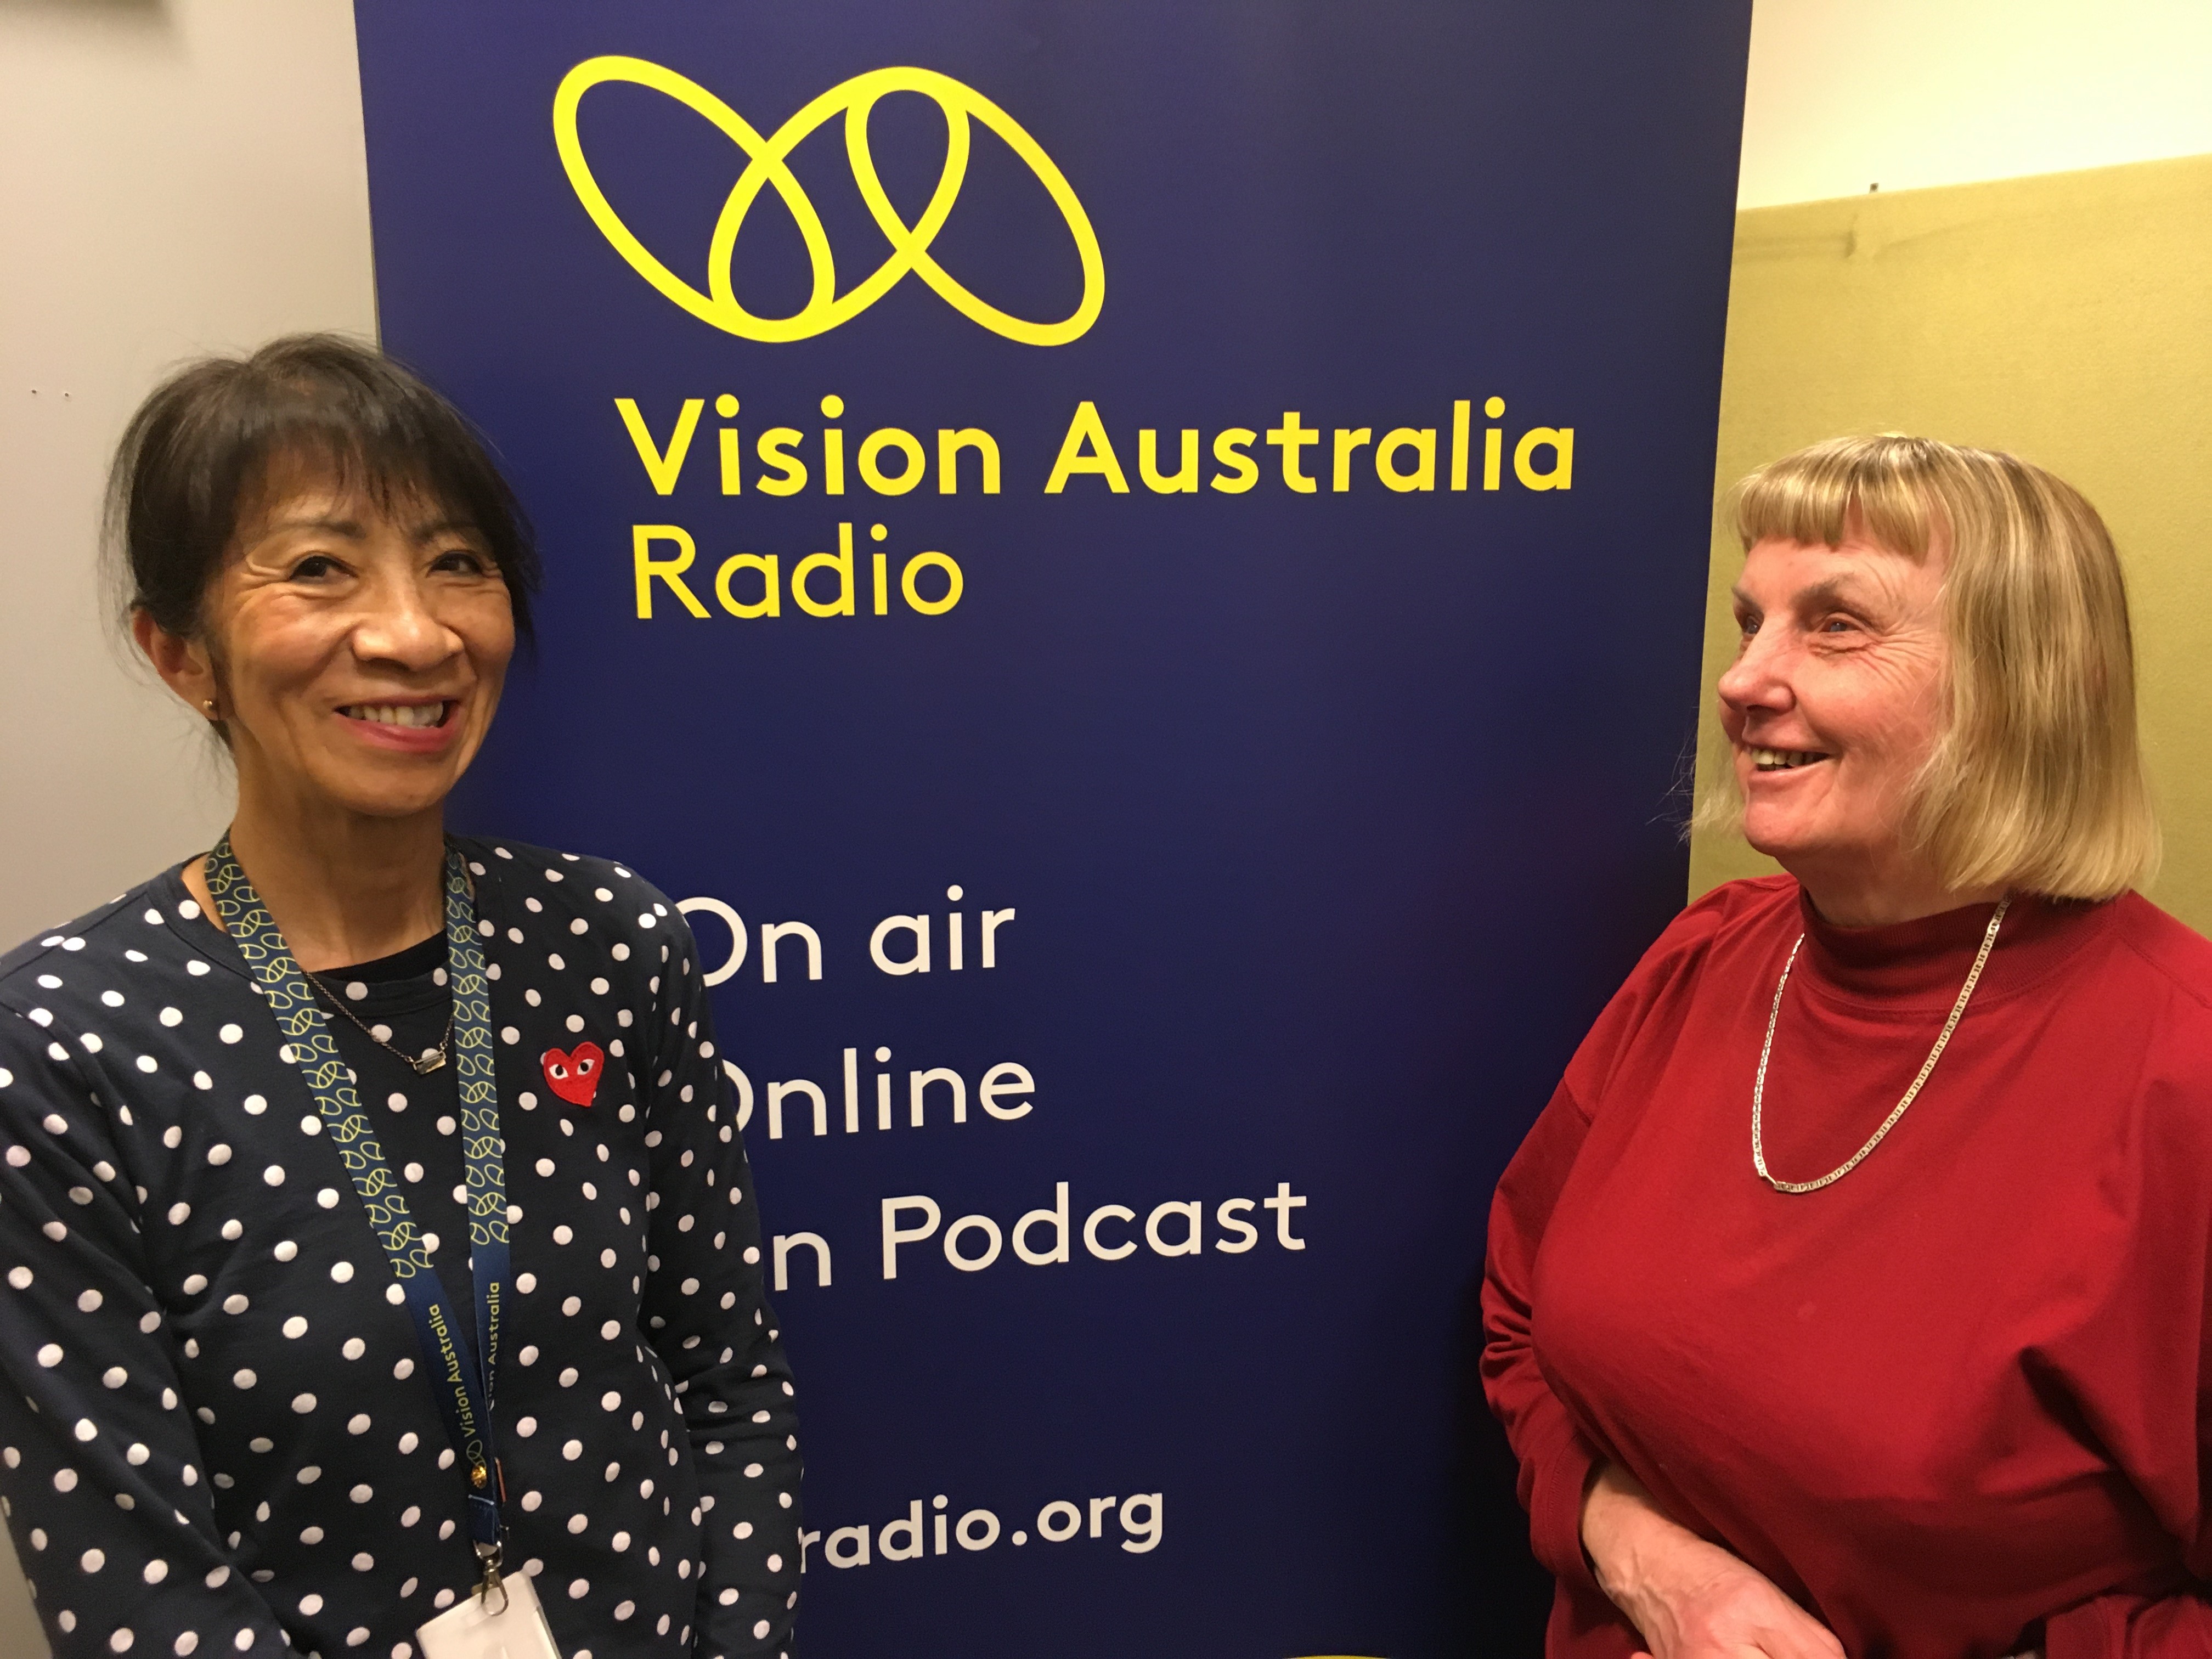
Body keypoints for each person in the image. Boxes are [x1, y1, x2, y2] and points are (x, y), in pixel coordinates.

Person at [0, 336, 802, 1659]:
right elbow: (134, 1584)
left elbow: (729, 1384)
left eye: (456, 564)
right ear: (180, 654)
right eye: (318, 568)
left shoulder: (609, 942)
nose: (415, 632)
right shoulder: (66, 1044)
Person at [1483, 435, 2212, 1659]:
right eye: (1748, 619)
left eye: (1833, 627)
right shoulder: (1706, 957)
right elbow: (1518, 1313)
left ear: (2025, 682)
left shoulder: (2178, 1073)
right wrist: (1639, 1551)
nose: (1742, 680)